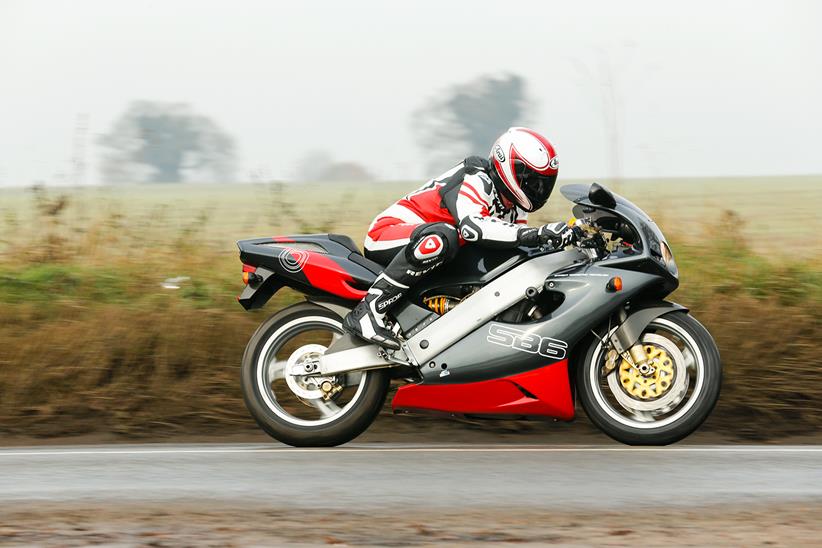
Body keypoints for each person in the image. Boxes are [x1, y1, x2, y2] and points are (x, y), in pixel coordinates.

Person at [343, 127, 579, 349]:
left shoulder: (515, 207)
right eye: (530, 179)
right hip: (389, 233)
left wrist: (563, 239)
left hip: (430, 250)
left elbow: (516, 247)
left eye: (543, 183)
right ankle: (368, 311)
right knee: (442, 238)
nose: (537, 189)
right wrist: (539, 234)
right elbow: (473, 228)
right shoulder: (476, 177)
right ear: (508, 166)